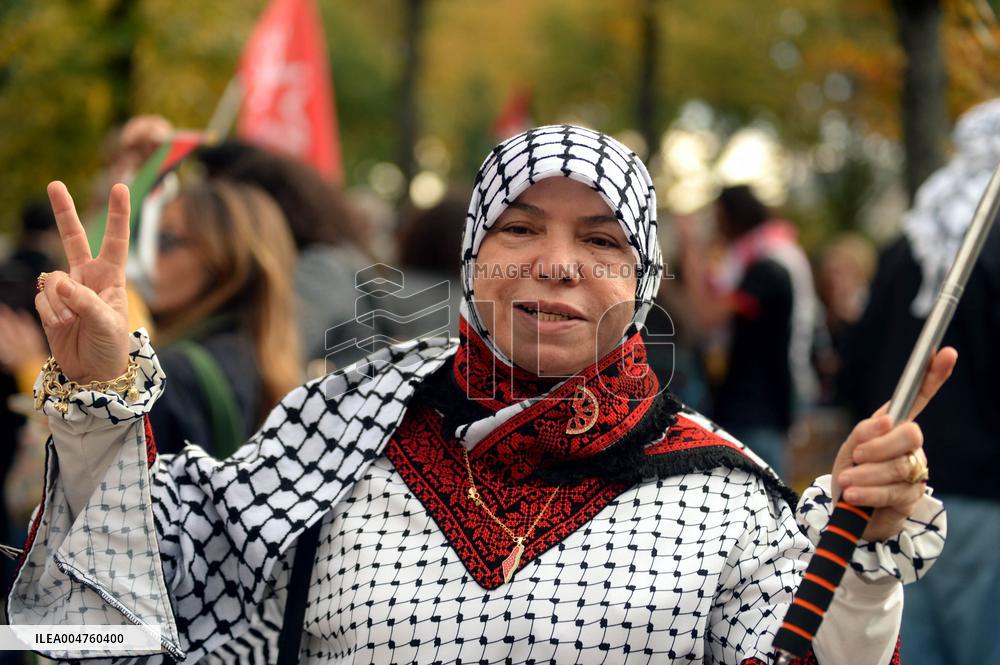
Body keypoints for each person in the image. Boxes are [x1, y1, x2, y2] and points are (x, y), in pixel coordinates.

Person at [9, 126, 952, 664]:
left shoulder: (725, 496)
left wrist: (860, 548)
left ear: (645, 280)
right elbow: (133, 592)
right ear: (472, 257)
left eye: (602, 240)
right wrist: (98, 398)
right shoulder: (335, 435)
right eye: (520, 227)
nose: (557, 262)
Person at [840, 98, 1000, 665]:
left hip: (895, 494)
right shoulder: (986, 246)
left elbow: (855, 363)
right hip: (983, 497)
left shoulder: (908, 242)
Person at [142, 178, 302, 456]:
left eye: (166, 240)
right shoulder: (256, 357)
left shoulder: (174, 374)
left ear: (223, 261)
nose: (148, 255)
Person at [678, 186, 821, 479]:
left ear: (731, 217)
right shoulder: (764, 257)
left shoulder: (768, 266)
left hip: (756, 412)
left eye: (717, 219)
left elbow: (706, 317)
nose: (715, 228)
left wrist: (690, 248)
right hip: (754, 407)